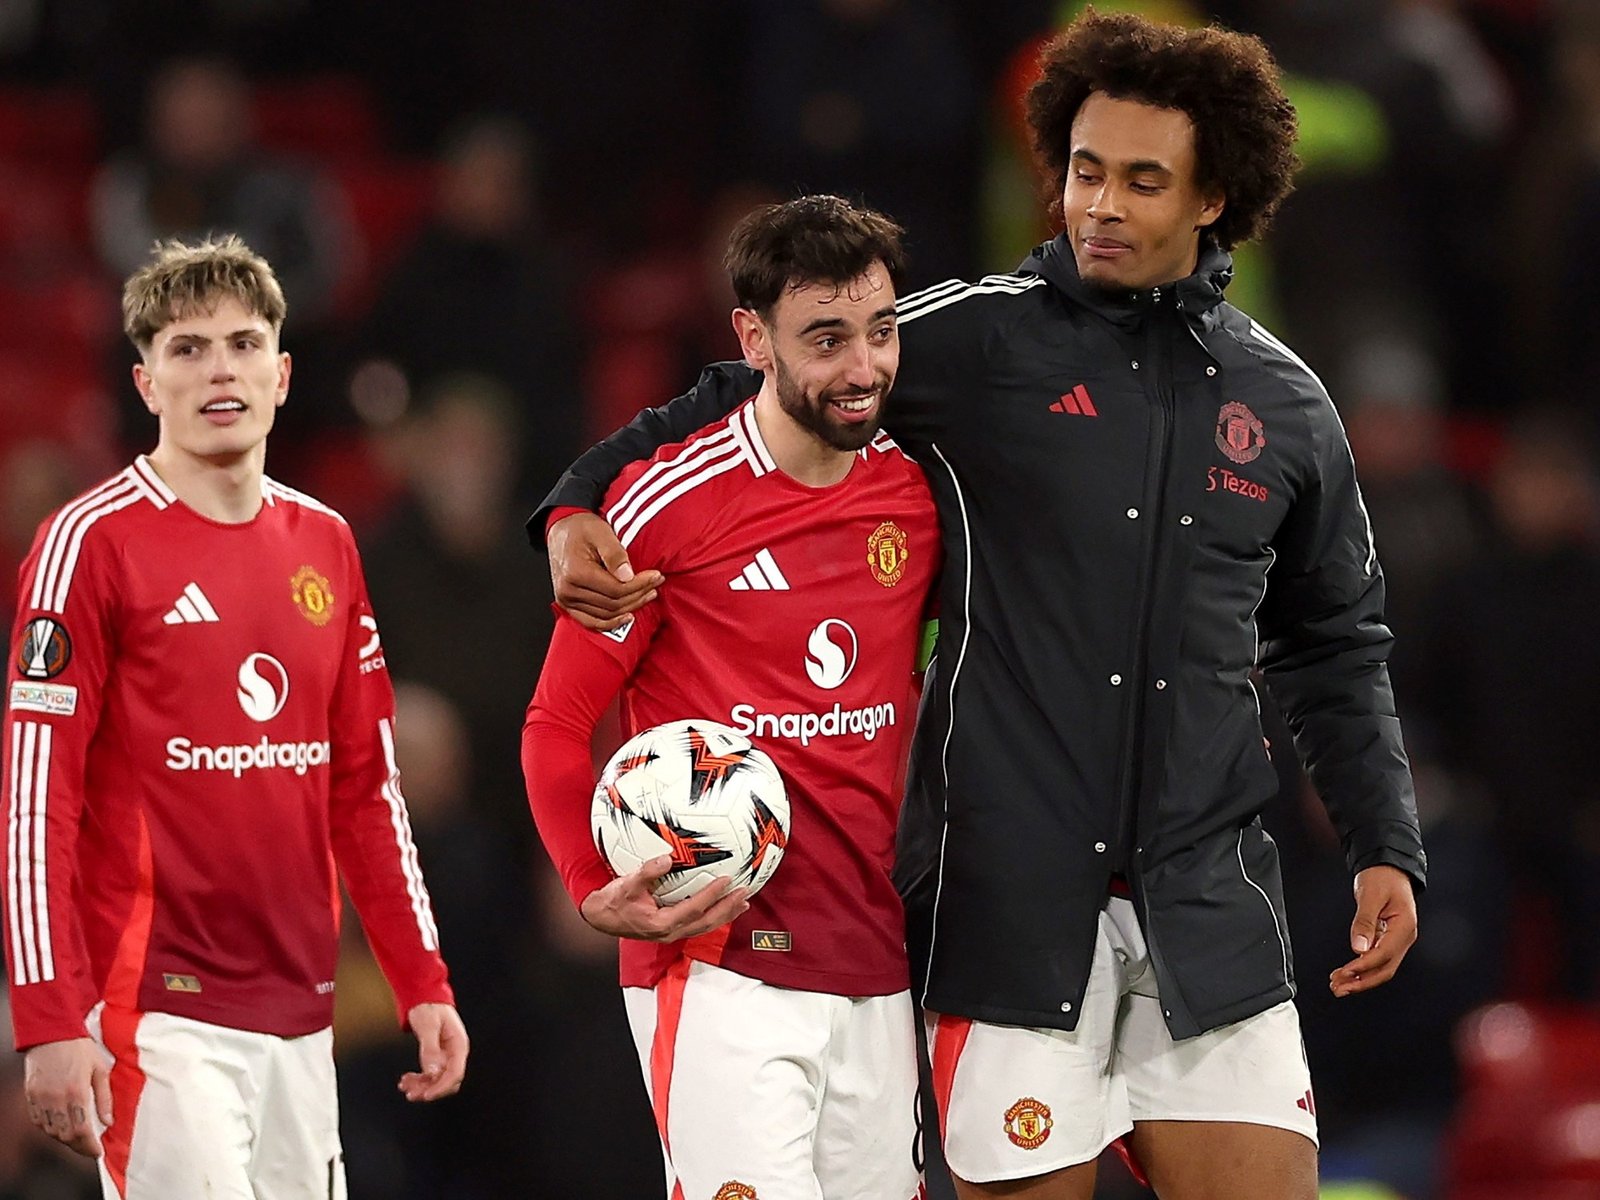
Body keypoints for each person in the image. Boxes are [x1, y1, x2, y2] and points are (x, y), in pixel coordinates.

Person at [536, 13, 1426, 1200]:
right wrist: (576, 498)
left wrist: (1383, 842)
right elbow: (767, 384)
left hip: (1209, 910)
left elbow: (1334, 643)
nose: (1097, 205)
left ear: (1214, 196)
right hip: (1011, 922)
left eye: (1140, 180)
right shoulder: (974, 337)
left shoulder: (1285, 402)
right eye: (1082, 170)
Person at [1, 235, 467, 1199]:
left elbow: (365, 790)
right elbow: (33, 799)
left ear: (284, 373)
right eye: (187, 348)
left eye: (245, 343)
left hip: (304, 1012)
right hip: (157, 1012)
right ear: (146, 382)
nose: (221, 368)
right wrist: (49, 1019)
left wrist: (421, 979)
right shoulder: (87, 543)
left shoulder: (328, 543)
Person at [522, 195, 938, 1199]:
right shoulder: (666, 503)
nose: (861, 369)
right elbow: (554, 725)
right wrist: (588, 884)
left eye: (880, 333)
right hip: (717, 962)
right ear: (752, 337)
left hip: (877, 961)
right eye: (826, 339)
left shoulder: (918, 499)